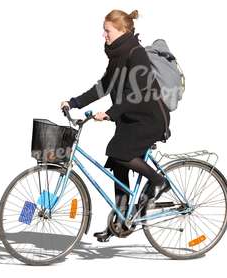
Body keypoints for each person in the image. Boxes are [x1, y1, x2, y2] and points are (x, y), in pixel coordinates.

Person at [61, 9, 170, 242]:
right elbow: (104, 86)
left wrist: (110, 113)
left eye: (107, 30)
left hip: (149, 119)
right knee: (118, 164)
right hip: (130, 119)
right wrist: (74, 102)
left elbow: (139, 93)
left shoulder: (136, 54)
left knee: (118, 153)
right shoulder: (118, 55)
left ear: (122, 31)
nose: (103, 35)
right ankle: (121, 220)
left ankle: (159, 182)